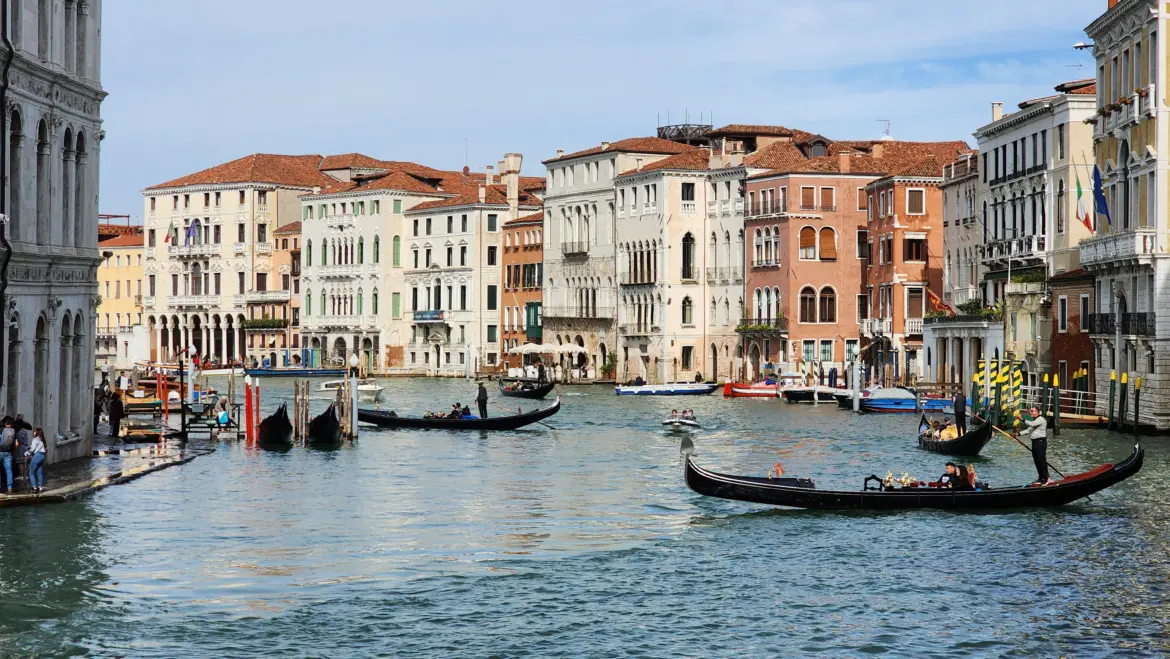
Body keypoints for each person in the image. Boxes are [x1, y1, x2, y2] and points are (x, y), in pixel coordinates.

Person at [1017, 406, 1052, 485]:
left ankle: (1045, 479)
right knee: (1036, 461)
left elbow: (1032, 424)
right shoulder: (1035, 421)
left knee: (1041, 461)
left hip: (1040, 443)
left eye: (1032, 411)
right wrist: (1017, 434)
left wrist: (1022, 419)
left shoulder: (1041, 419)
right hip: (1035, 443)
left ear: (1037, 412)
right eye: (1030, 411)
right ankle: (1040, 478)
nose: (1030, 412)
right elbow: (1028, 430)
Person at [27, 428, 45, 493]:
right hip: (42, 456)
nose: (33, 433)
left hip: (37, 456)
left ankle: (34, 487)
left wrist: (26, 453)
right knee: (39, 472)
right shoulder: (42, 439)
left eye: (34, 432)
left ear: (37, 432)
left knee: (31, 472)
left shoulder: (35, 439)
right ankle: (40, 487)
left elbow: (32, 449)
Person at [0, 418, 15, 493]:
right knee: (9, 470)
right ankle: (9, 487)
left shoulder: (2, 429)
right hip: (8, 452)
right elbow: (16, 443)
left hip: (0, 451)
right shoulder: (13, 431)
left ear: (5, 424)